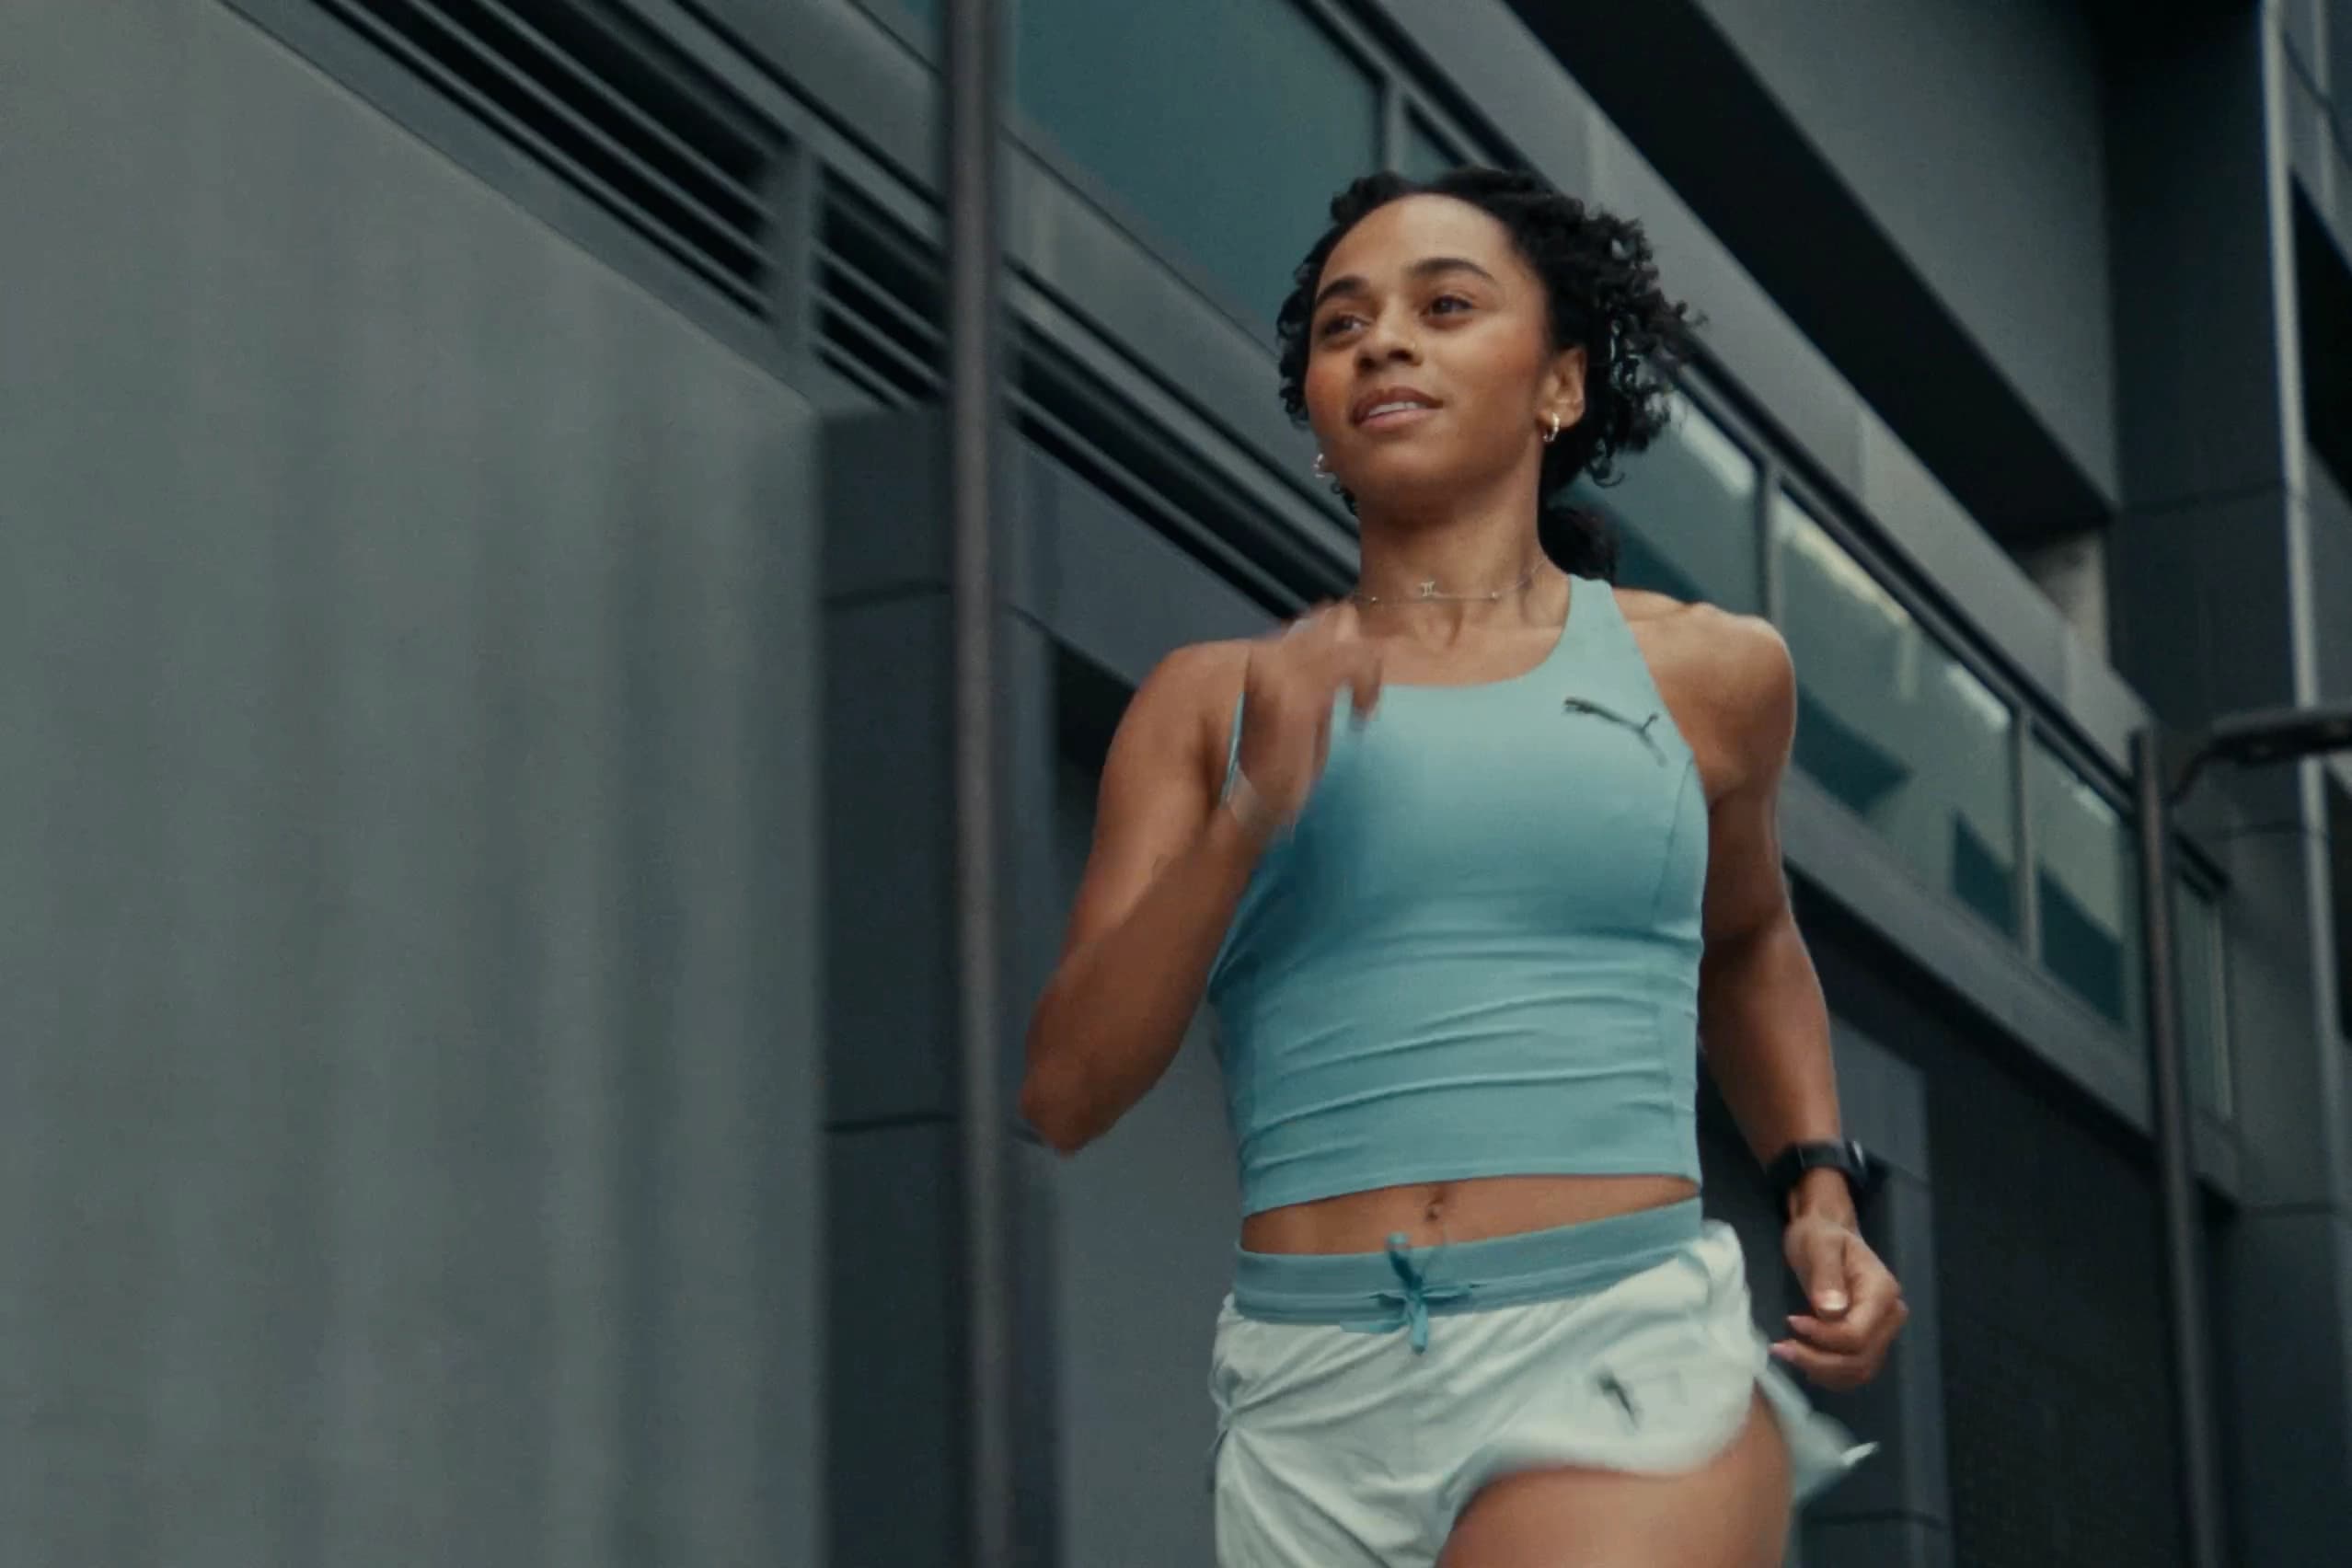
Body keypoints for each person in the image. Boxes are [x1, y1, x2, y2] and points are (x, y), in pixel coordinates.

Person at [1020, 166, 1907, 1568]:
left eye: (1445, 307)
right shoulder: (1208, 705)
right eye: (1341, 325)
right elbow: (1065, 1094)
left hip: (1613, 1344)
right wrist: (1254, 810)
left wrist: (1818, 1187)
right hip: (1309, 1393)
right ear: (1319, 420)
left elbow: (1747, 942)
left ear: (1558, 390)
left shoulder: (1709, 676)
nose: (1382, 342)